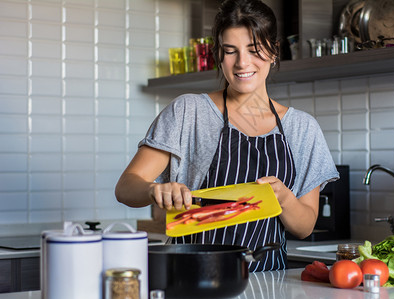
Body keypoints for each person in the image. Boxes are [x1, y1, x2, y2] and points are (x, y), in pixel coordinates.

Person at [115, 0, 339, 272]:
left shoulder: (303, 128)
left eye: (254, 50)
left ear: (274, 52)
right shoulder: (189, 111)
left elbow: (305, 227)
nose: (242, 62)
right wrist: (155, 190)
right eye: (230, 51)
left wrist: (284, 198)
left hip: (268, 283)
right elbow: (126, 187)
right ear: (218, 55)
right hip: (193, 275)